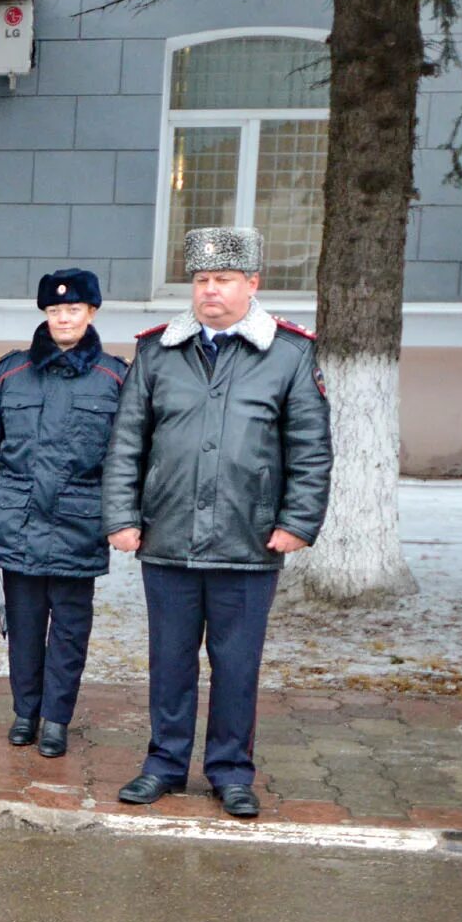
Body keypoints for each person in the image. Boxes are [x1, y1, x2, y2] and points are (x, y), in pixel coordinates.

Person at [102, 227, 332, 819]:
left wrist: (298, 522)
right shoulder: (158, 351)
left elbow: (309, 448)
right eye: (202, 279)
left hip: (248, 540)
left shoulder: (289, 354)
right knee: (169, 661)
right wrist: (122, 517)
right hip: (168, 537)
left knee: (236, 666)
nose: (210, 291)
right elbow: (128, 441)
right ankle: (164, 764)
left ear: (251, 284)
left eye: (224, 279)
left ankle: (230, 771)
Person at [0, 269, 127, 758]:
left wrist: (122, 515)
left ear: (91, 313)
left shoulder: (115, 377)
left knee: (71, 630)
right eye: (55, 311)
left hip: (81, 519)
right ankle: (25, 711)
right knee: (25, 625)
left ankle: (57, 717)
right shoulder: (10, 372)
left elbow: (127, 454)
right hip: (19, 517)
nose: (63, 319)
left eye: (73, 310)